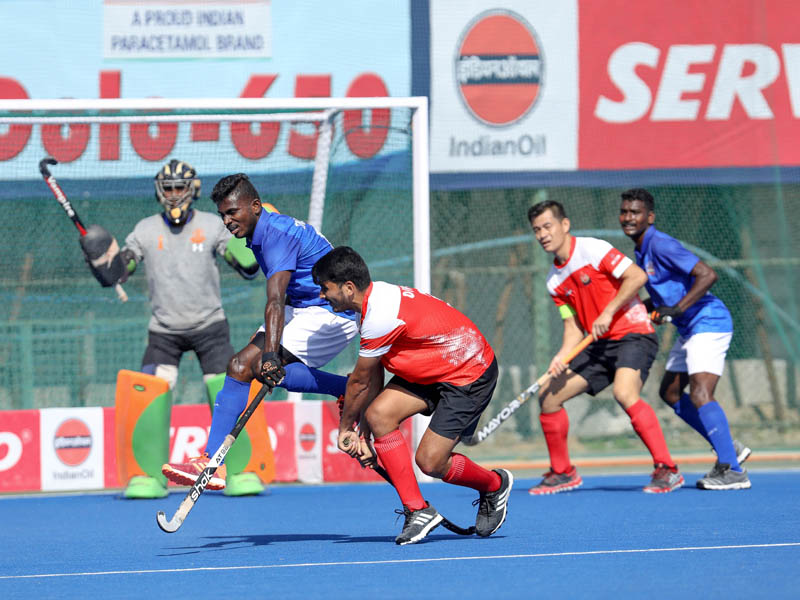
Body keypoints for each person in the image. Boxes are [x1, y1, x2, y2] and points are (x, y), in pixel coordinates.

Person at [162, 173, 359, 491]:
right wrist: (268, 357)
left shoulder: (275, 235)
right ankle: (214, 463)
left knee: (257, 365)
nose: (227, 221)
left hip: (331, 313)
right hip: (303, 307)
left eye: (232, 212)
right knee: (240, 367)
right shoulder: (258, 227)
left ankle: (352, 389)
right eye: (223, 214)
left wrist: (269, 353)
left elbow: (275, 299)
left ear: (254, 206)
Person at [312, 246, 513, 545]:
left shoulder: (381, 315)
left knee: (431, 462)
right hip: (432, 366)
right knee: (379, 414)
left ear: (349, 287)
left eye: (325, 289)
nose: (321, 296)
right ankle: (417, 509)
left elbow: (359, 382)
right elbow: (375, 372)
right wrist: (364, 432)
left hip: (468, 371)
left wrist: (346, 428)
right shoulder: (367, 308)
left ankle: (495, 485)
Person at [118, 159, 264, 498]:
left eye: (179, 187)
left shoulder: (215, 225)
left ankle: (238, 471)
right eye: (168, 188)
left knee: (228, 390)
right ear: (159, 191)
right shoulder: (144, 229)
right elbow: (120, 269)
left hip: (209, 326)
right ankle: (149, 476)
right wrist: (104, 260)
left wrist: (253, 242)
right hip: (164, 330)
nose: (173, 194)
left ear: (193, 189)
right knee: (151, 394)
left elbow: (246, 265)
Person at [527, 200, 683, 495]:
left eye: (548, 226)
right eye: (537, 230)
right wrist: (561, 357)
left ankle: (667, 469)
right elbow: (573, 329)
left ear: (564, 225)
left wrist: (609, 311)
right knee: (548, 397)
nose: (543, 234)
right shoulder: (554, 281)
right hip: (598, 344)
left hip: (633, 333)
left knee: (625, 393)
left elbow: (637, 276)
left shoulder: (592, 249)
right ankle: (563, 473)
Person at [619, 188, 751, 490]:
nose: (628, 217)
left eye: (635, 212)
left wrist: (675, 310)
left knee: (700, 393)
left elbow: (707, 274)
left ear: (649, 217)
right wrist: (633, 310)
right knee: (671, 393)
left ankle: (733, 470)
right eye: (624, 211)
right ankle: (729, 446)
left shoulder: (661, 244)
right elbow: (662, 295)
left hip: (708, 322)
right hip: (689, 327)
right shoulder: (641, 249)